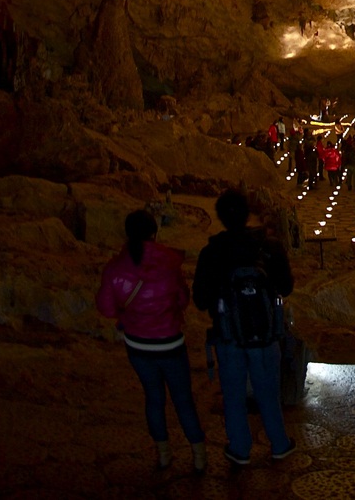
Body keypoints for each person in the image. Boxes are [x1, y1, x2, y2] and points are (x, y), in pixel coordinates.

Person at [97, 210, 207, 473]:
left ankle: (163, 455)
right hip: (170, 343)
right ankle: (199, 457)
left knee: (153, 398)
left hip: (138, 345)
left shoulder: (115, 268)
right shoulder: (169, 263)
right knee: (183, 399)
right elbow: (182, 299)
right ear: (154, 233)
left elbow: (107, 308)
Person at [193, 190, 296, 466]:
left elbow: (200, 300)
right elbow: (286, 287)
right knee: (268, 392)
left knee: (234, 394)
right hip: (266, 335)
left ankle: (240, 449)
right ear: (248, 213)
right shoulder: (269, 246)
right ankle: (279, 443)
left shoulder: (211, 252)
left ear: (221, 218)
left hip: (229, 338)